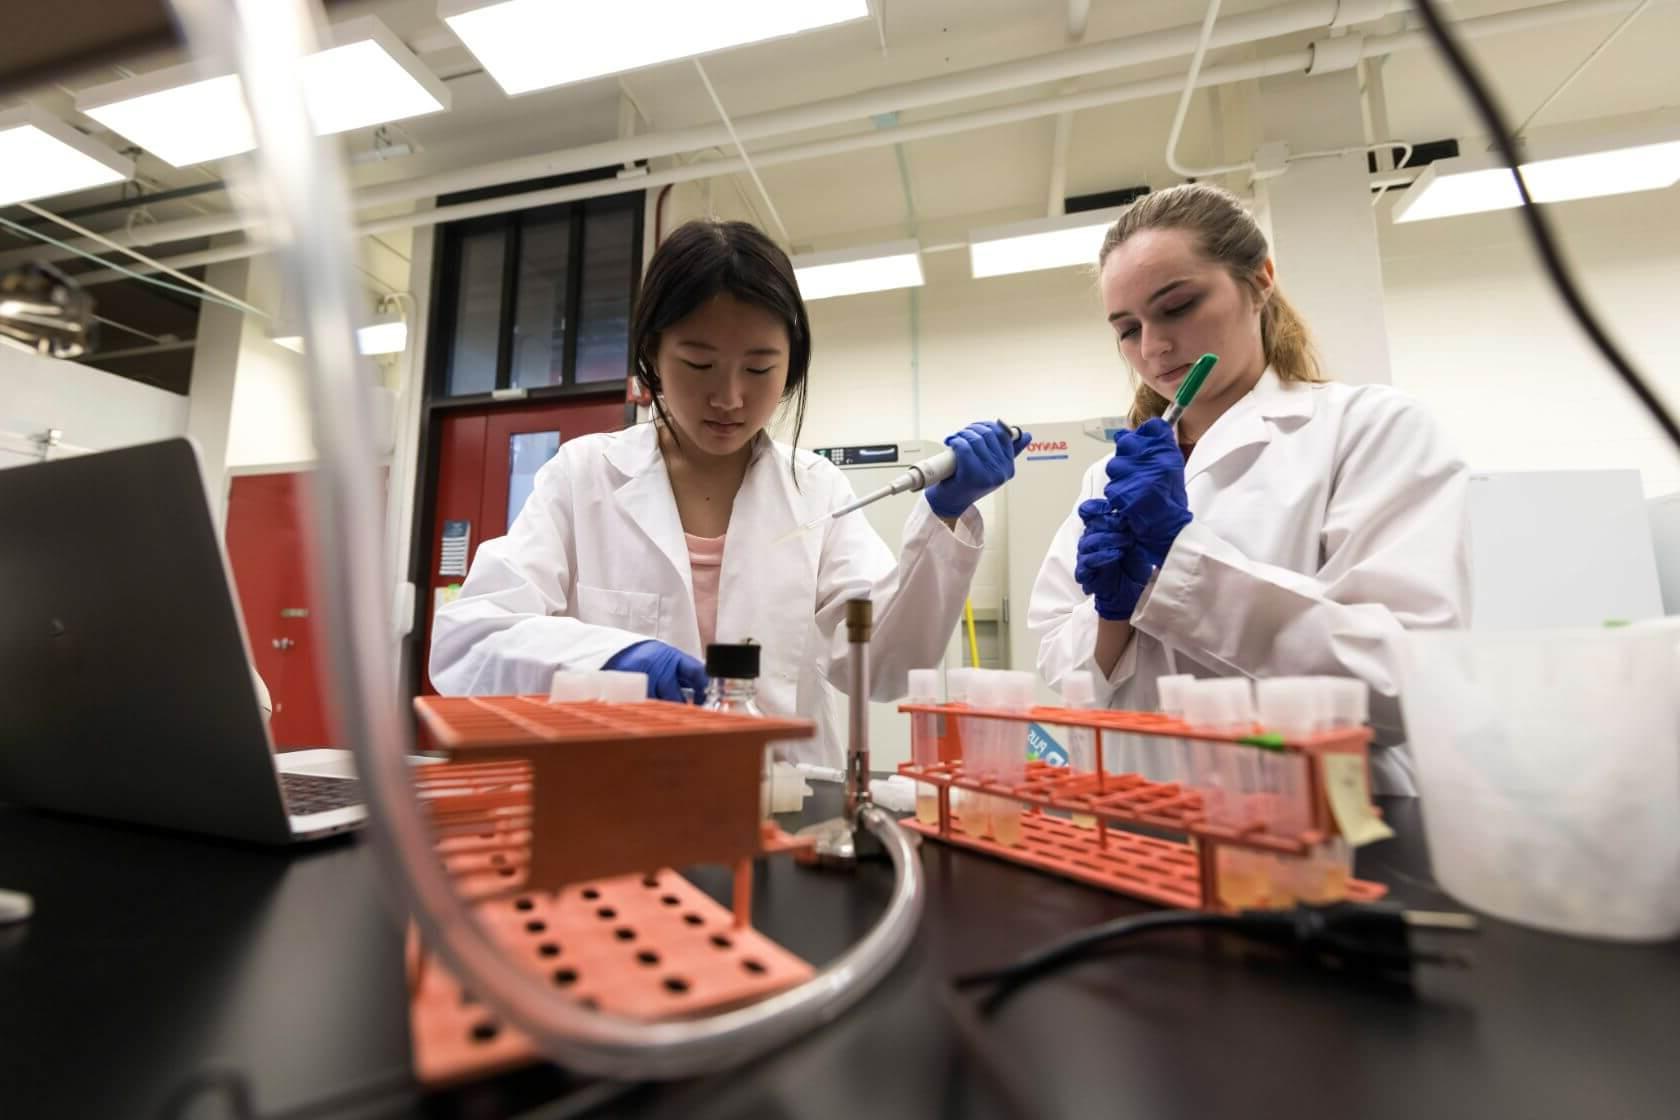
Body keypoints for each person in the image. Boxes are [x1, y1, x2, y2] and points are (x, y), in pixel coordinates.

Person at [431, 219, 1028, 766]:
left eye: (760, 369)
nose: (730, 398)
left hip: (784, 803)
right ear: (653, 355)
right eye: (698, 364)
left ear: (791, 365)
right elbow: (467, 639)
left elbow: (885, 667)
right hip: (622, 794)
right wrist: (608, 660)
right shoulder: (582, 477)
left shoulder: (815, 491)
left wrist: (943, 518)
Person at [1028, 184, 1468, 794]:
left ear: (1260, 280)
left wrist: (1182, 559)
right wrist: (1112, 617)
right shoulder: (1108, 476)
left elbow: (1403, 684)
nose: (1152, 347)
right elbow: (1060, 663)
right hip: (1143, 815)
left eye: (1177, 306)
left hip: (1316, 826)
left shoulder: (1367, 430)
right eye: (1127, 328)